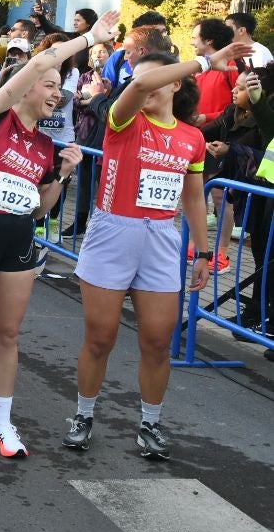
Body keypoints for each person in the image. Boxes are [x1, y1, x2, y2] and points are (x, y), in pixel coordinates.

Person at [0, 11, 119, 459]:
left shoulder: (45, 147)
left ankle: (1, 425)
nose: (57, 93)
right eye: (50, 85)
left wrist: (63, 175)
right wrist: (89, 37)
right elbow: (38, 61)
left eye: (59, 87)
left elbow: (41, 208)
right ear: (27, 87)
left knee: (8, 336)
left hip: (17, 243)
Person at [67, 39, 251, 460]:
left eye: (158, 78)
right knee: (101, 338)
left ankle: (150, 423)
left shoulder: (191, 138)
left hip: (161, 239)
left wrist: (204, 253)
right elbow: (140, 84)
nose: (146, 83)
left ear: (176, 86)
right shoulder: (123, 120)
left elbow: (192, 197)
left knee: (156, 340)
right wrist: (206, 60)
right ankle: (83, 415)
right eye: (140, 78)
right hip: (113, 233)